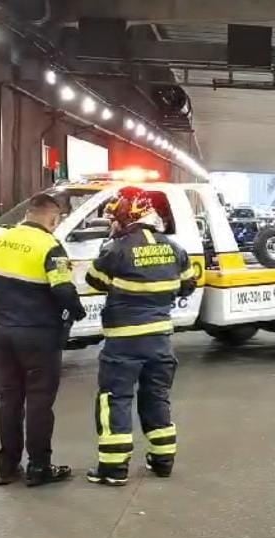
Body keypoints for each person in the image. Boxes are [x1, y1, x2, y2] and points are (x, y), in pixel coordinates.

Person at [85, 187, 197, 486]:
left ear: (127, 217)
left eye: (115, 218)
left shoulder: (116, 249)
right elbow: (188, 285)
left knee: (115, 399)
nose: (114, 223)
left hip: (123, 342)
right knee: (156, 397)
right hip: (160, 340)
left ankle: (113, 468)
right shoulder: (173, 247)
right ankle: (163, 461)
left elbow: (94, 280)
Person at [0, 193, 86, 487]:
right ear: (53, 218)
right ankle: (39, 467)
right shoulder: (51, 247)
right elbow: (63, 290)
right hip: (39, 335)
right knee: (39, 401)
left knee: (9, 399)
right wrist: (76, 313)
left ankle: (6, 467)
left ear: (28, 214)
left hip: (2, 333)